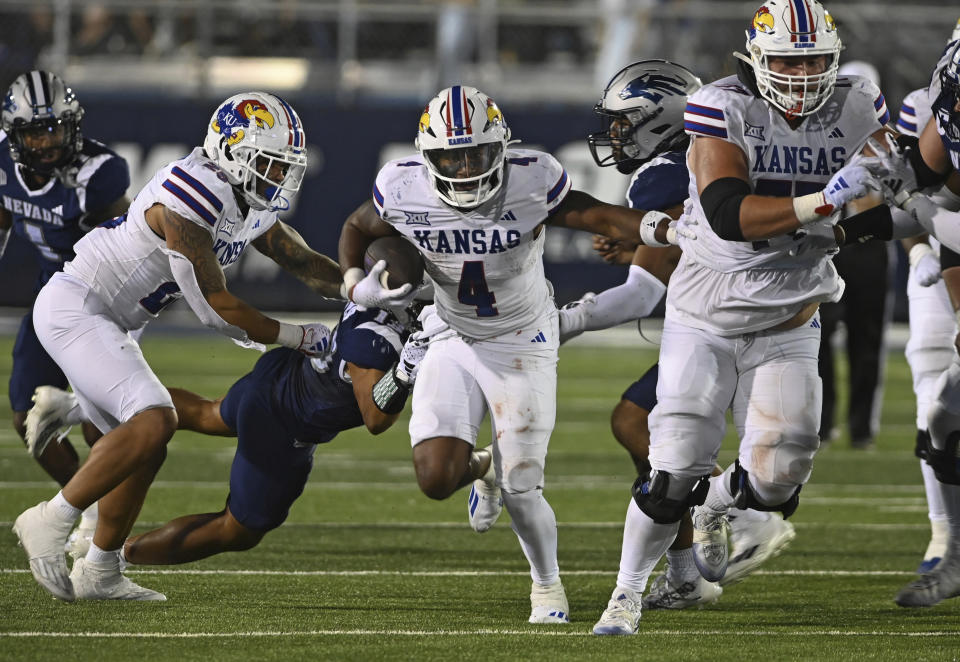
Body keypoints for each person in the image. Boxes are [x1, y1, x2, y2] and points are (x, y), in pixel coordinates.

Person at [591, 0, 895, 635]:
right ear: (757, 58)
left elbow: (872, 213)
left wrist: (876, 206)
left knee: (781, 478)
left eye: (814, 59)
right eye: (788, 58)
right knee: (674, 465)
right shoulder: (723, 105)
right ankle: (625, 592)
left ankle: (716, 506)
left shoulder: (860, 101)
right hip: (706, 314)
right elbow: (730, 214)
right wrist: (828, 201)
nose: (803, 72)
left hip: (791, 316)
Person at [338, 84, 686, 624]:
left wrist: (665, 228)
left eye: (474, 152)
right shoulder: (402, 187)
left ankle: (546, 587)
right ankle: (482, 470)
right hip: (450, 332)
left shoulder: (530, 178)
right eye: (450, 154)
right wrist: (355, 281)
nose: (463, 165)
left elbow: (596, 216)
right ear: (427, 155)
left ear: (499, 146)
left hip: (524, 340)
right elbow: (360, 227)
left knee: (524, 486)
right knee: (434, 478)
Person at [12, 91, 348, 603]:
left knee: (143, 445)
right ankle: (51, 517)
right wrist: (302, 336)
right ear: (233, 151)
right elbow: (213, 306)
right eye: (269, 164)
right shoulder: (193, 191)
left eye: (283, 169)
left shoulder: (242, 196)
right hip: (77, 306)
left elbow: (300, 261)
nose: (277, 179)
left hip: (111, 319)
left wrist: (361, 288)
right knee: (155, 419)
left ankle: (99, 569)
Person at [562, 60, 796, 611]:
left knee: (644, 424)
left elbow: (640, 296)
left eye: (624, 123)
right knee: (641, 425)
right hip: (756, 306)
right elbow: (677, 254)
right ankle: (688, 573)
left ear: (658, 120)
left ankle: (744, 516)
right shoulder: (705, 152)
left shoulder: (665, 171)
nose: (615, 136)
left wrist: (559, 323)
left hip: (733, 321)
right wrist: (644, 247)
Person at [90, 301, 418, 567]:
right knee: (239, 529)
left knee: (211, 414)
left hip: (279, 375)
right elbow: (375, 418)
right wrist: (403, 374)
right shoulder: (375, 341)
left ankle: (112, 406)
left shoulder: (375, 296)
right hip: (284, 418)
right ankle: (115, 557)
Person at [0, 70, 130, 550]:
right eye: (35, 131)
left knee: (103, 425)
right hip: (49, 292)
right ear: (16, 136)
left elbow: (126, 242)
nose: (48, 140)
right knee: (27, 420)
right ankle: (86, 502)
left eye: (55, 127)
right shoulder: (2, 161)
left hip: (102, 295)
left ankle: (102, 531)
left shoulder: (98, 174)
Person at [870, 31, 960, 607]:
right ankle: (952, 551)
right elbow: (918, 181)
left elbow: (921, 199)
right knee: (945, 411)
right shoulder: (941, 101)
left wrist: (910, 204)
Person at [816, 61, 893, 450]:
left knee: (867, 339)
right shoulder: (819, 133)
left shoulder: (887, 137)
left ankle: (860, 428)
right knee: (819, 337)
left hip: (868, 245)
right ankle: (824, 422)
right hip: (831, 244)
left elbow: (886, 201)